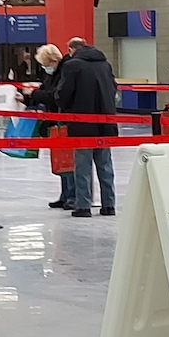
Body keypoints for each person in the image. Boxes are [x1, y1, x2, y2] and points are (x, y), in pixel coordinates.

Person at [57, 36, 118, 217]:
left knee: (82, 167)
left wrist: (64, 107)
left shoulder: (72, 66)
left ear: (71, 50)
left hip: (82, 123)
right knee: (105, 166)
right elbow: (113, 89)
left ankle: (83, 206)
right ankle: (109, 204)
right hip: (106, 122)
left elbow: (63, 94)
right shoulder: (105, 64)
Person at [22, 43, 75, 209]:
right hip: (55, 122)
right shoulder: (52, 75)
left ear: (53, 60)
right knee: (60, 161)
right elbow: (44, 91)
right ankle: (65, 194)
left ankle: (72, 195)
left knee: (69, 162)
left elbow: (53, 96)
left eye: (46, 64)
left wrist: (35, 94)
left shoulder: (65, 71)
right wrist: (27, 98)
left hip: (65, 122)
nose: (45, 68)